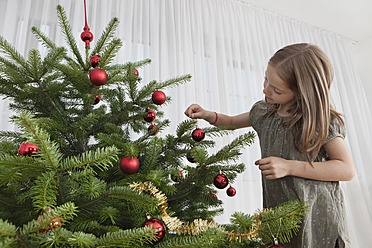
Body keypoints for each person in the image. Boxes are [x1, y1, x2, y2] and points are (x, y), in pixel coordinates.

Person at [184, 43, 355, 248]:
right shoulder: (265, 112)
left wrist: (289, 166)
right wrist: (208, 115)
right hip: (279, 218)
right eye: (266, 78)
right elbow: (231, 122)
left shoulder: (321, 121)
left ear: (301, 92)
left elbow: (346, 169)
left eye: (276, 90)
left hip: (318, 223)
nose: (265, 89)